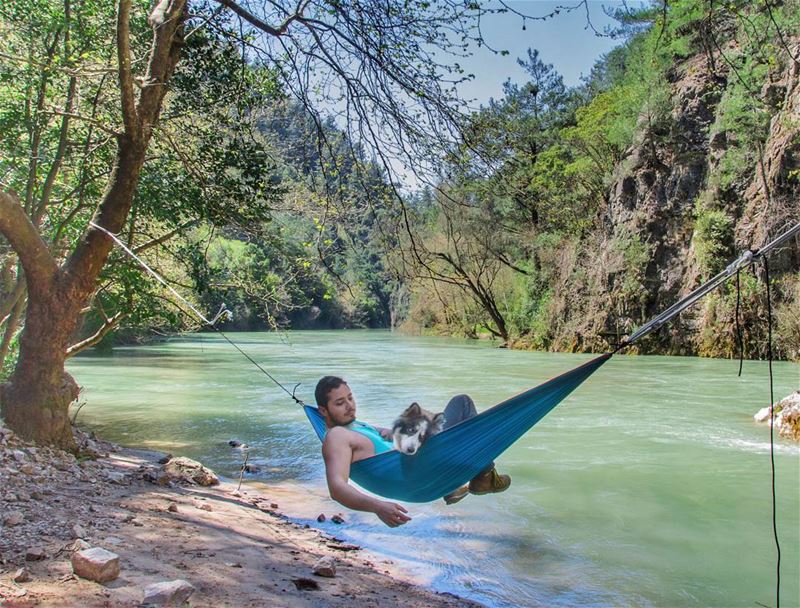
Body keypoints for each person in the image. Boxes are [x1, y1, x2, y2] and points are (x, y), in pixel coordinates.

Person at [315, 375, 511, 527]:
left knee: (418, 417)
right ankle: (485, 477)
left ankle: (452, 488)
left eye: (350, 398)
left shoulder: (354, 425)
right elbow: (337, 488)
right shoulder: (336, 437)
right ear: (323, 411)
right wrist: (378, 507)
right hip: (415, 473)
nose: (350, 406)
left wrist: (407, 430)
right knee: (462, 403)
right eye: (340, 403)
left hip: (416, 465)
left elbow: (386, 433)